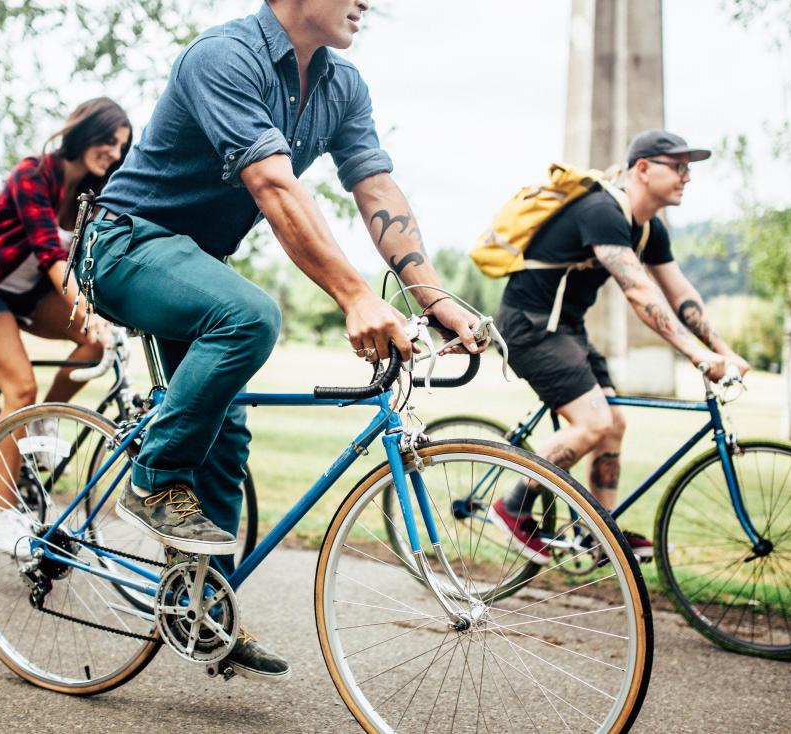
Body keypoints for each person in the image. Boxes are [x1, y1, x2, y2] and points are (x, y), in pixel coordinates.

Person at [80, 0, 481, 682]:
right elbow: (271, 182)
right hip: (123, 244)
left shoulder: (341, 85)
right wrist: (354, 295)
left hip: (194, 263)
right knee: (251, 316)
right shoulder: (223, 57)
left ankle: (200, 608)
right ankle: (152, 480)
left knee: (228, 436)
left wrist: (431, 294)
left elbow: (375, 184)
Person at [490, 129, 751, 564]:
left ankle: (598, 532)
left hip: (567, 328)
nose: (687, 176)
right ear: (643, 169)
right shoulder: (603, 211)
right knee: (592, 423)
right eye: (678, 167)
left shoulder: (649, 230)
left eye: (690, 169)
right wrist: (697, 356)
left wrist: (722, 350)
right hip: (530, 327)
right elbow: (640, 293)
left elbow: (679, 292)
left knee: (614, 424)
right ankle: (512, 505)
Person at [0, 97, 132, 558]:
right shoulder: (34, 173)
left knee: (92, 343)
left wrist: (113, 315)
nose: (113, 153)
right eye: (109, 140)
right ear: (86, 131)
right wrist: (87, 311)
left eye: (121, 148)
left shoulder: (93, 195)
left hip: (28, 298)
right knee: (19, 387)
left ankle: (42, 418)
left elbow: (92, 262)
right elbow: (50, 254)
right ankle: (3, 521)